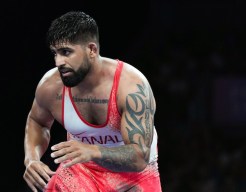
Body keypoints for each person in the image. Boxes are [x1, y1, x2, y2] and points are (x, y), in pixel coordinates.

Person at [23, 11, 162, 192]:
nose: (58, 62)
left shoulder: (131, 86)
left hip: (133, 175)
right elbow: (37, 121)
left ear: (91, 49)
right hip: (82, 169)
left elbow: (139, 157)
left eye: (66, 52)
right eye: (55, 53)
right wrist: (31, 159)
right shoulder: (51, 86)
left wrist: (93, 150)